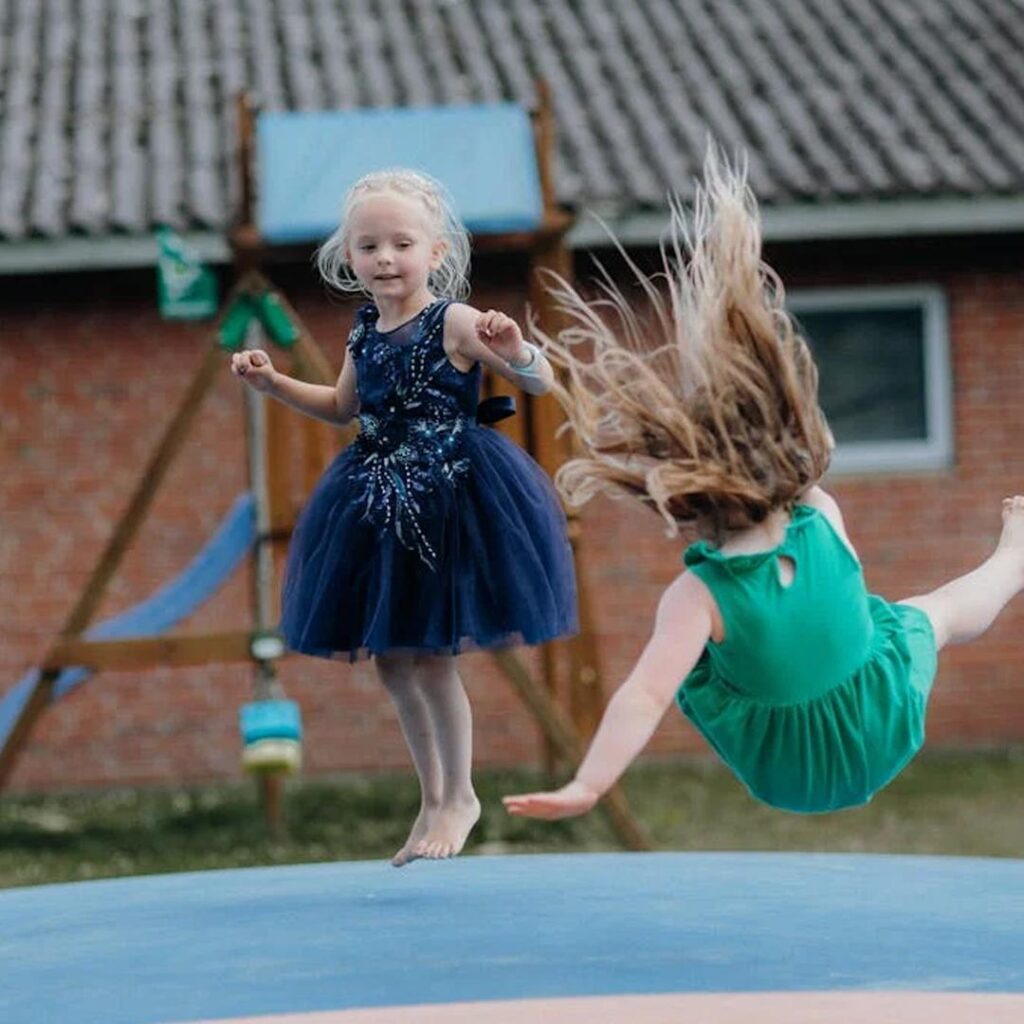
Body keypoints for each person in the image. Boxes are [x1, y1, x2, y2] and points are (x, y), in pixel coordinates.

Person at [504, 155, 1024, 823]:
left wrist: (589, 787)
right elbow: (799, 462)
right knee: (940, 612)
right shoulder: (823, 514)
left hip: (789, 767)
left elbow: (644, 695)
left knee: (728, 660)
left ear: (681, 501)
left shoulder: (697, 596)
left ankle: (1007, 563)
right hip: (877, 717)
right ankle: (1012, 561)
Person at [231, 168, 577, 864]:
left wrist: (516, 353)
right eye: (368, 246)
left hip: (450, 497)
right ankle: (431, 796)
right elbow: (340, 407)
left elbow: (541, 382)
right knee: (393, 662)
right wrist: (271, 384)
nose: (385, 258)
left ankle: (462, 796)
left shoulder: (451, 320)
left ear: (437, 252)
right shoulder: (364, 333)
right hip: (378, 500)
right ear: (348, 257)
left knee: (430, 657)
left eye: (401, 243)